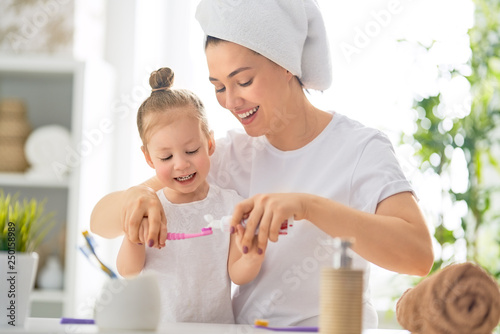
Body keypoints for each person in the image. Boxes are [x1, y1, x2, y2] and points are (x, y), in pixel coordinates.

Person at [91, 0, 434, 328]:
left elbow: (418, 255)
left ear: (285, 63)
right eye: (219, 87)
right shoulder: (228, 154)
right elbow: (100, 223)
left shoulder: (359, 148)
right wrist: (136, 198)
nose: (231, 101)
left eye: (243, 82)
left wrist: (307, 206)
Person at [115, 67, 264, 324]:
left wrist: (253, 255)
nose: (181, 164)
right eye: (166, 157)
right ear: (149, 158)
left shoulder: (231, 205)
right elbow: (128, 271)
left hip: (216, 330)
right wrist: (134, 238)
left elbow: (237, 275)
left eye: (192, 150)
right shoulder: (150, 209)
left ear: (209, 143)